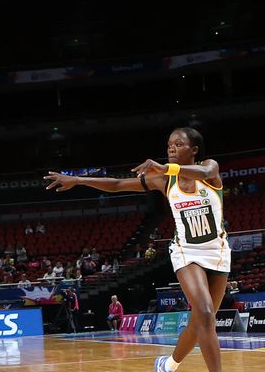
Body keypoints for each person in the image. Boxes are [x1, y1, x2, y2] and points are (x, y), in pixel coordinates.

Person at [46, 127, 230, 372]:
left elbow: (205, 171)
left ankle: (168, 365)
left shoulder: (209, 168)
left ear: (194, 149)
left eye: (178, 144)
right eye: (169, 145)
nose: (172, 148)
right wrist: (80, 180)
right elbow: (118, 184)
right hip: (186, 252)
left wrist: (166, 167)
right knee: (205, 313)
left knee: (201, 321)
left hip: (218, 251)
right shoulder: (164, 180)